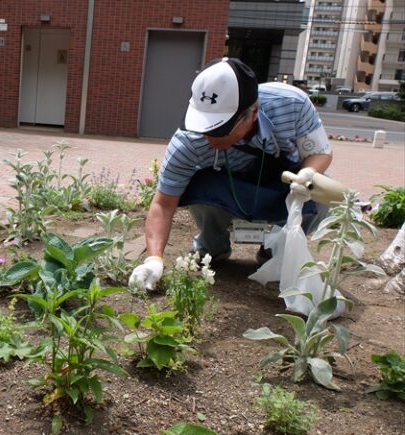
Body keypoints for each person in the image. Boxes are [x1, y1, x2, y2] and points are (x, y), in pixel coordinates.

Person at [129, 57, 332, 291]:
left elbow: (320, 152)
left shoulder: (291, 104)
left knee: (320, 192)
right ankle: (212, 246)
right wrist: (154, 259)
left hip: (279, 183)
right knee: (198, 184)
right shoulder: (188, 141)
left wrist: (307, 174)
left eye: (221, 128)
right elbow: (163, 204)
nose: (209, 136)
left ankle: (274, 249)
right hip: (228, 186)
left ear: (252, 114)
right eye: (204, 124)